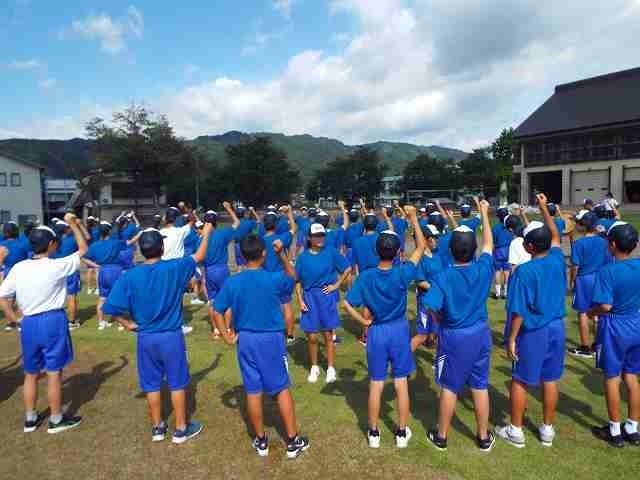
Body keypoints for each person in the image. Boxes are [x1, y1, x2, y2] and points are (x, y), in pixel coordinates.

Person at [102, 223, 213, 444]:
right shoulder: (174, 268)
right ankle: (180, 429)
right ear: (162, 248)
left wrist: (127, 324)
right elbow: (199, 256)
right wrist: (207, 233)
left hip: (146, 337)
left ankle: (158, 427)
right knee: (177, 382)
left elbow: (110, 308)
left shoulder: (130, 275)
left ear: (141, 249)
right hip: (170, 336)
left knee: (152, 383)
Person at [212, 234, 310, 459]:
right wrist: (282, 255)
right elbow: (293, 276)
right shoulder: (273, 278)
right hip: (270, 339)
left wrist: (227, 336)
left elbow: (217, 310)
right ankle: (292, 440)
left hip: (246, 339)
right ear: (263, 253)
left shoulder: (233, 281)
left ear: (242, 255)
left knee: (253, 390)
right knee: (281, 388)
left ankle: (261, 440)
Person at [343, 205, 425, 449]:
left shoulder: (366, 276)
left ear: (376, 250)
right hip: (398, 330)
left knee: (376, 383)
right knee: (401, 383)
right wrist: (413, 219)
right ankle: (401, 432)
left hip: (376, 331)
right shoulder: (402, 273)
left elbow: (347, 303)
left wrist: (364, 322)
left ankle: (374, 433)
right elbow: (420, 247)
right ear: (398, 252)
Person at [0, 213, 87, 434]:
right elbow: (83, 249)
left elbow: (3, 296)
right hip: (52, 321)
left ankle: (30, 419)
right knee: (53, 372)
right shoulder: (56, 265)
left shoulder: (19, 268)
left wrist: (14, 318)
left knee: (30, 373)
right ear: (50, 244)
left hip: (28, 322)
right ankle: (56, 419)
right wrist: (73, 223)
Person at [421, 198, 495, 452]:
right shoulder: (483, 268)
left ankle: (441, 436)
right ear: (473, 249)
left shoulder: (443, 276)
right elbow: (489, 244)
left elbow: (430, 305)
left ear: (450, 250)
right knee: (480, 385)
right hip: (480, 332)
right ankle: (483, 436)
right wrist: (484, 213)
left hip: (455, 336)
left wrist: (439, 319)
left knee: (450, 386)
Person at [496, 193, 566, 449]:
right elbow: (555, 235)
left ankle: (516, 431)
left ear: (528, 247)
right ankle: (547, 429)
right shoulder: (558, 258)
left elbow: (519, 311)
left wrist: (512, 339)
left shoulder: (524, 272)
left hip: (534, 330)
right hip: (557, 327)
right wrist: (544, 208)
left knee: (520, 379)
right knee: (550, 379)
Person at [588, 222, 640, 448]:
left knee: (612, 377)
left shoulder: (607, 271)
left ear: (613, 244)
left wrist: (591, 312)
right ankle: (633, 427)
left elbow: (606, 306)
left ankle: (615, 430)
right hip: (636, 322)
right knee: (632, 376)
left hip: (614, 326)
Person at [295, 223, 351, 384]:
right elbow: (297, 281)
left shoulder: (331, 252)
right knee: (312, 336)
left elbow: (347, 268)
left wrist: (336, 285)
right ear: (309, 238)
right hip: (309, 297)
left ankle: (331, 368)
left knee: (328, 334)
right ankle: (314, 367)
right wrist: (300, 300)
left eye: (322, 235)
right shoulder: (303, 257)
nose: (320, 238)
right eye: (316, 236)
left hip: (326, 297)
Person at [82, 221, 141, 331]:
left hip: (102, 271)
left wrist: (96, 265)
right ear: (109, 231)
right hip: (115, 270)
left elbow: (84, 257)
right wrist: (140, 234)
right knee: (119, 296)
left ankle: (101, 323)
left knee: (102, 298)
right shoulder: (116, 243)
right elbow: (130, 242)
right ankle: (121, 324)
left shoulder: (94, 245)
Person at [568, 210, 611, 358]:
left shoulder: (579, 243)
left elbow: (575, 266)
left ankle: (585, 347)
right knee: (598, 312)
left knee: (583, 313)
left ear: (584, 225)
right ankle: (599, 345)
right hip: (600, 278)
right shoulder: (604, 242)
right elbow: (608, 262)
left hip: (584, 279)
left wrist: (572, 281)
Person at [260, 205, 298, 345]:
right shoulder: (282, 238)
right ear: (276, 224)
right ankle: (290, 335)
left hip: (266, 277)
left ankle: (271, 332)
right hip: (282, 275)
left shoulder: (259, 241)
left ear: (264, 225)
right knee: (286, 305)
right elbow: (294, 228)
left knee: (268, 306)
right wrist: (289, 213)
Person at [201, 203, 240, 338]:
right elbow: (236, 223)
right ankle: (227, 328)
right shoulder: (223, 233)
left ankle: (216, 329)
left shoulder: (201, 237)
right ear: (216, 222)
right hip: (222, 269)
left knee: (212, 301)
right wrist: (229, 208)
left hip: (209, 270)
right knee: (227, 300)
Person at [160, 206, 197, 334]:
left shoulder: (159, 232)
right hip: (176, 267)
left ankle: (165, 321)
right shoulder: (180, 231)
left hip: (162, 266)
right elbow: (193, 220)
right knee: (177, 298)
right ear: (176, 219)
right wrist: (185, 208)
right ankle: (178, 325)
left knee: (165, 296)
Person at [51, 218, 90, 330]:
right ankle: (71, 322)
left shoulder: (52, 242)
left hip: (55, 271)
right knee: (71, 297)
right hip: (70, 271)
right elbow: (87, 238)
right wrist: (78, 225)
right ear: (65, 230)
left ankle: (55, 320)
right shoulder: (72, 240)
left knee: (54, 296)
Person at [411, 224, 443, 351]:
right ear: (423, 240)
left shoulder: (436, 255)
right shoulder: (420, 259)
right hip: (425, 303)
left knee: (437, 330)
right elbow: (420, 281)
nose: (435, 241)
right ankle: (402, 359)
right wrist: (436, 289)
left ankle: (433, 346)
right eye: (431, 238)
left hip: (437, 302)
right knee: (421, 335)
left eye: (436, 238)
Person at [0, 222, 29, 330]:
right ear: (16, 231)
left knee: (7, 298)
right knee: (22, 298)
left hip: (8, 272)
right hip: (22, 272)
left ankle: (10, 322)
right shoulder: (24, 243)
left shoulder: (2, 245)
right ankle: (21, 320)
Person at [492, 207, 513, 299]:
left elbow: (493, 241)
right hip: (508, 250)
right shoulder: (510, 227)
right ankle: (506, 293)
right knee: (506, 272)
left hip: (497, 250)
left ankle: (497, 293)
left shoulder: (495, 227)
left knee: (497, 271)